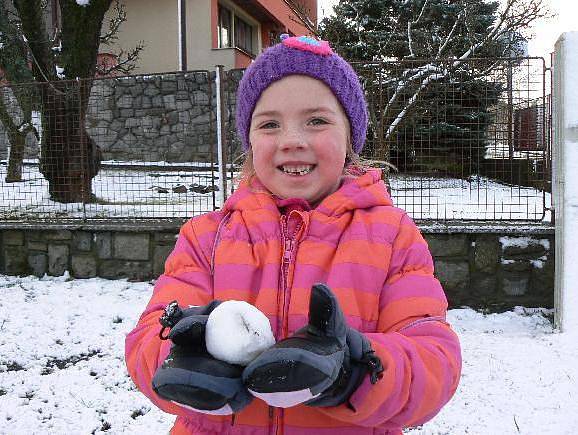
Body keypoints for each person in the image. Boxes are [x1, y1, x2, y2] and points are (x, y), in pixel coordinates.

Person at [125, 34, 462, 435]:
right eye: (269, 124)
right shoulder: (206, 238)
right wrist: (182, 356)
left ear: (350, 136)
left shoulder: (392, 239)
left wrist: (354, 370)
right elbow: (149, 339)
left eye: (316, 120)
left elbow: (433, 359)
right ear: (249, 140)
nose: (291, 141)